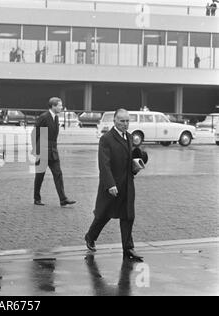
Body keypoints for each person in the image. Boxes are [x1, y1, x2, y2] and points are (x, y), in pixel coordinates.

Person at [84, 109, 146, 261]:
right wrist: (110, 184)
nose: (125, 124)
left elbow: (129, 159)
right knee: (104, 215)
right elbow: (104, 164)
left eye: (127, 121)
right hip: (112, 185)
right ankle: (90, 236)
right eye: (122, 121)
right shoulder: (106, 139)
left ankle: (128, 248)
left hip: (127, 184)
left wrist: (137, 165)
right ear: (115, 121)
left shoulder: (130, 137)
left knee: (128, 216)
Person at [32, 97, 76, 207]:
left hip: (53, 151)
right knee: (40, 176)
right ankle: (36, 198)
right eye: (60, 105)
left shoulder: (56, 118)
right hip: (42, 150)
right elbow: (35, 134)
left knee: (58, 174)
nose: (62, 107)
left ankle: (63, 199)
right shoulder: (44, 117)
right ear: (53, 106)